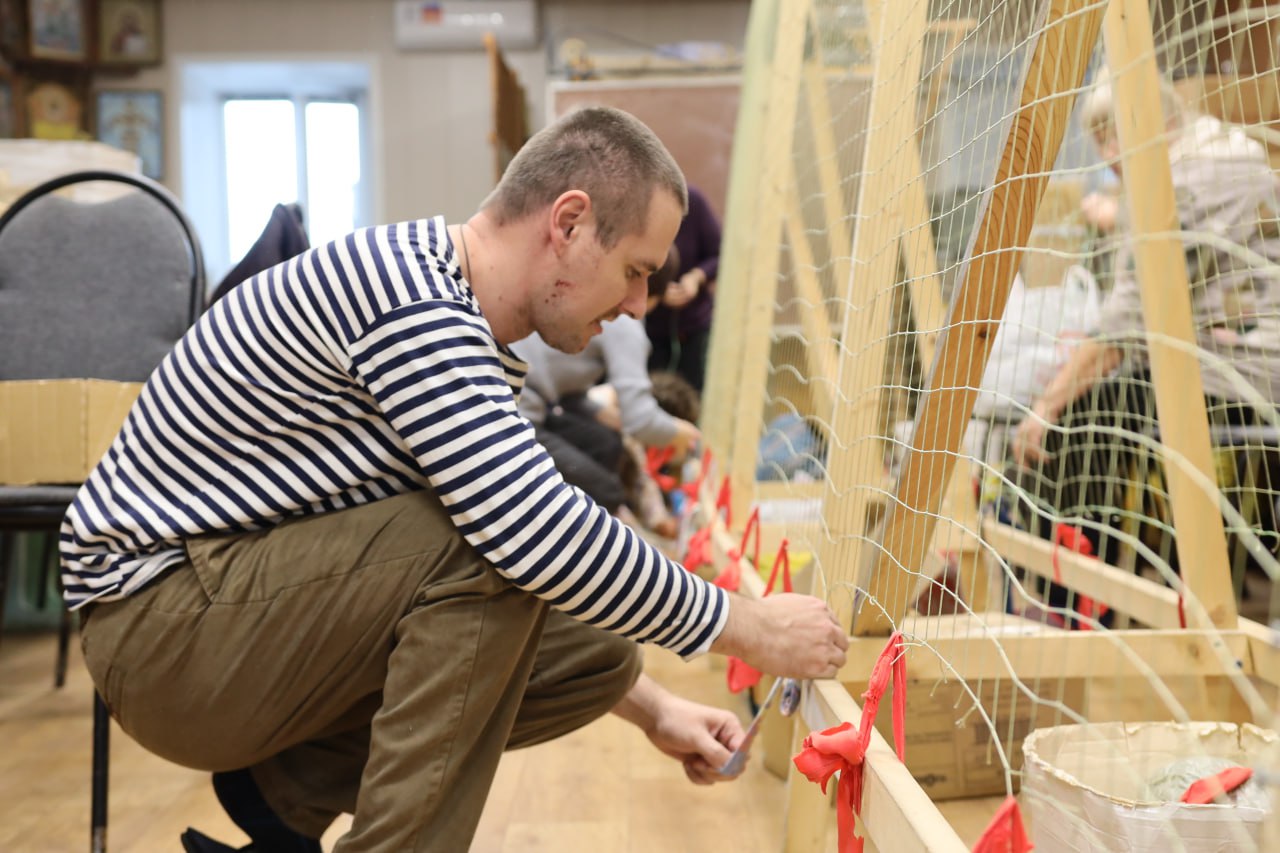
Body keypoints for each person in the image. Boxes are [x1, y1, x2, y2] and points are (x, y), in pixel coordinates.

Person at [61, 106, 848, 853]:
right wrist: (752, 626)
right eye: (635, 271)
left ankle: (283, 795)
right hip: (158, 631)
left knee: (599, 654)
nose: (641, 304)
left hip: (213, 619)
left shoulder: (450, 316)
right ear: (568, 223)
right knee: (496, 545)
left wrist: (656, 709)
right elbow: (527, 532)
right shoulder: (411, 300)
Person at [1011, 74, 1280, 619]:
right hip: (1223, 364)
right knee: (1095, 411)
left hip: (1239, 373)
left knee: (1069, 432)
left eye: (1115, 136)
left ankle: (1078, 598)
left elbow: (1128, 321)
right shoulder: (1215, 151)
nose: (1109, 154)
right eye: (1099, 142)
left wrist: (1048, 403)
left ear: (1154, 121)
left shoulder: (1193, 171)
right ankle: (1083, 587)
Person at [513, 246, 699, 533]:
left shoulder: (601, 305)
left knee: (609, 446)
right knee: (606, 487)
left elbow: (568, 391)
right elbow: (641, 419)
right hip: (523, 414)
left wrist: (599, 413)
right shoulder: (625, 323)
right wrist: (681, 434)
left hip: (540, 405)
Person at [646, 183, 721, 392]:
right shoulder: (634, 206)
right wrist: (658, 290)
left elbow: (719, 254)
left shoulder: (694, 201)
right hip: (650, 328)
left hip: (695, 328)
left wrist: (696, 278)